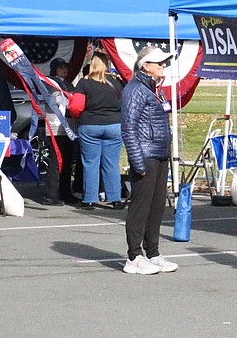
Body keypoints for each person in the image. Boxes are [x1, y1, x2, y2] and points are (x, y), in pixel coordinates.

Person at [121, 46, 177, 275]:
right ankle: (134, 256)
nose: (163, 66)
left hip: (160, 153)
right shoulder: (135, 90)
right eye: (159, 63)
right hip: (145, 155)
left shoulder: (156, 90)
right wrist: (137, 161)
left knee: (156, 207)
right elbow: (129, 127)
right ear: (146, 66)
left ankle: (152, 252)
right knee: (141, 207)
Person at [73, 52, 124, 210]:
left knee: (90, 163)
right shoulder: (117, 82)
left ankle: (89, 199)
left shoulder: (84, 82)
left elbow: (76, 106)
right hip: (114, 125)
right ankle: (115, 198)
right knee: (111, 163)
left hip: (90, 125)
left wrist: (79, 118)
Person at [42, 57, 78, 206]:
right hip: (55, 128)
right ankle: (50, 195)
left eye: (65, 67)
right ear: (54, 69)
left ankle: (65, 192)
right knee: (56, 162)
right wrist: (73, 100)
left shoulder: (68, 84)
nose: (64, 69)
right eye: (61, 67)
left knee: (68, 161)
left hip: (69, 127)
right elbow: (57, 100)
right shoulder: (49, 83)